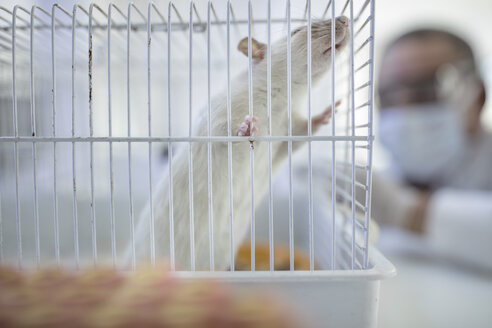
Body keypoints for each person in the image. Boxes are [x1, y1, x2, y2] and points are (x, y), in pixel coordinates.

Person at [370, 29, 492, 269]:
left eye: (428, 90)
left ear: (477, 96)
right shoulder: (382, 186)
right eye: (388, 96)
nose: (405, 110)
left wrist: (408, 212)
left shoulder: (388, 201)